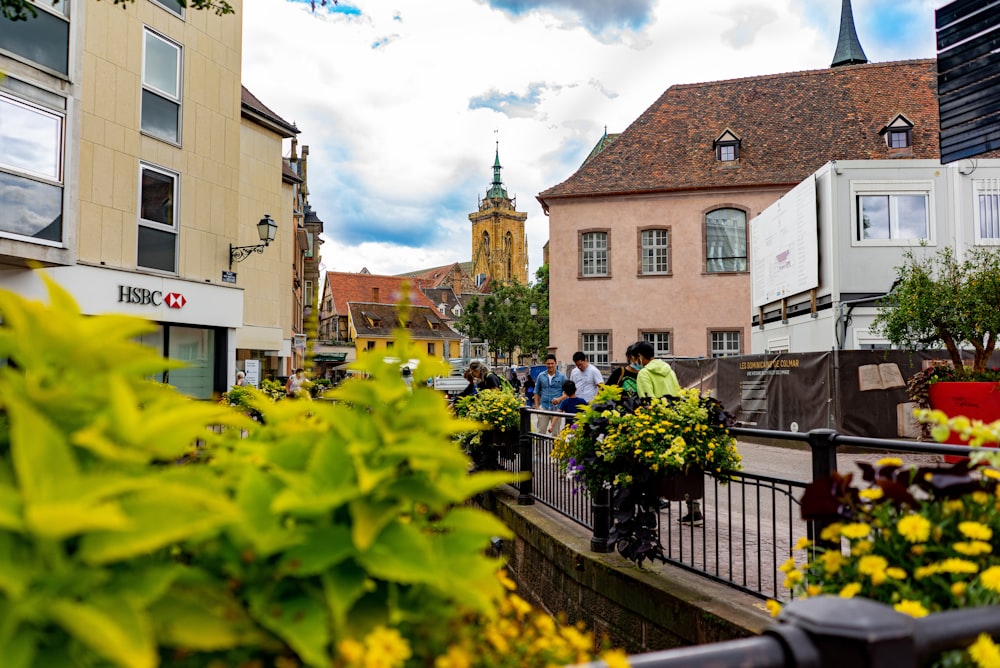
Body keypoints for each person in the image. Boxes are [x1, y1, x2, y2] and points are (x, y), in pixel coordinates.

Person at [634, 341, 696, 522]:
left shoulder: (644, 373)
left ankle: (652, 506)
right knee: (683, 465)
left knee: (653, 465)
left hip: (658, 425)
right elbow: (677, 393)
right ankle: (694, 509)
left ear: (640, 357)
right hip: (676, 421)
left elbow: (647, 401)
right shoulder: (669, 370)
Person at [533, 354, 566, 434]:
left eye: (552, 363)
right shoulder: (541, 376)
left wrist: (559, 399)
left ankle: (554, 447)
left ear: (555, 363)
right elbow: (536, 392)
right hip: (544, 408)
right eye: (548, 364)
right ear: (545, 364)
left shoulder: (562, 377)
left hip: (557, 410)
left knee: (555, 434)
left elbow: (567, 393)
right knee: (540, 432)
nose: (550, 365)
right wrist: (537, 408)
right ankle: (540, 447)